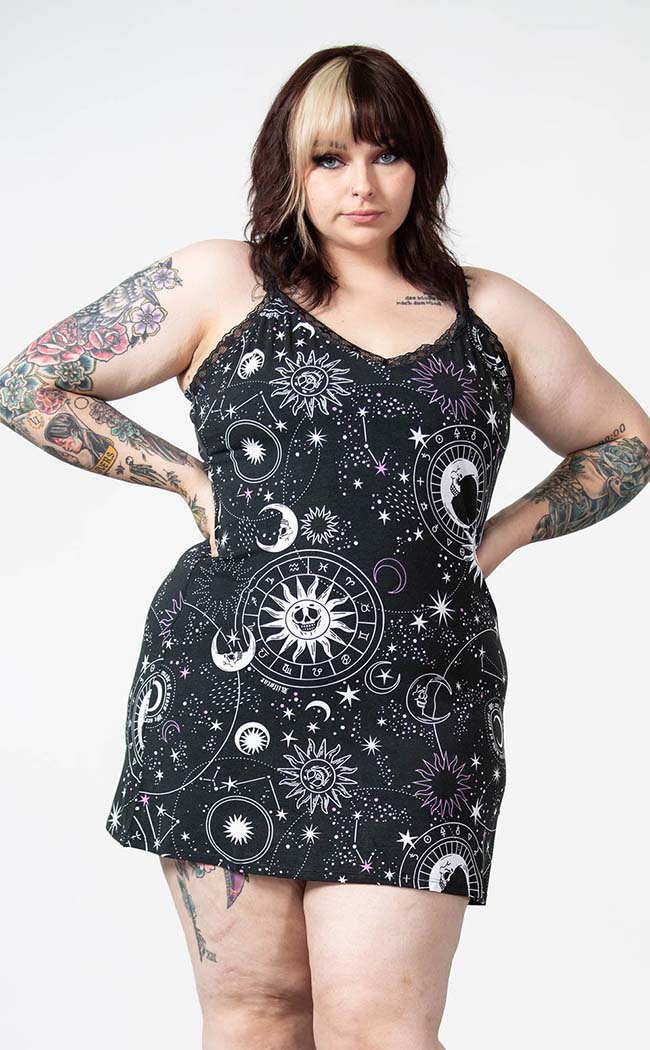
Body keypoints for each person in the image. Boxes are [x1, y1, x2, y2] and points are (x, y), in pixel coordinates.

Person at [2, 42, 649, 1050]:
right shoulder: (223, 281)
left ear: (422, 165)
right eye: (330, 158)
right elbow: (28, 384)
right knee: (255, 1015)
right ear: (289, 168)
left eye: (387, 154)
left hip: (421, 701)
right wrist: (186, 478)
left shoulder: (488, 311)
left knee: (381, 1027)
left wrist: (502, 536)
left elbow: (624, 439)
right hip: (227, 691)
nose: (362, 184)